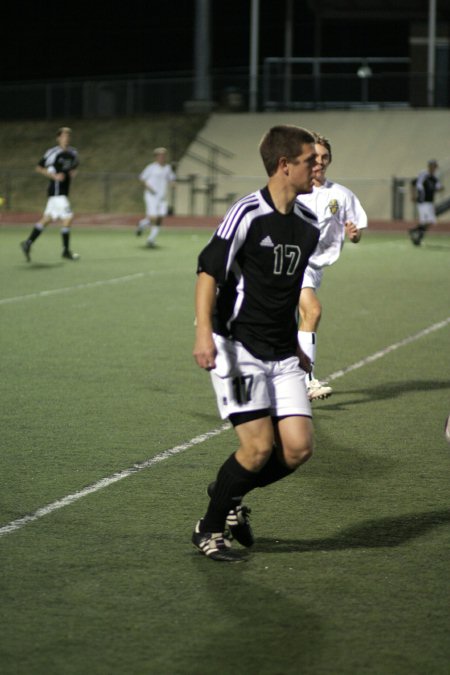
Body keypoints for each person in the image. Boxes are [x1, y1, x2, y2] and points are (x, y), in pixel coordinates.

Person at [191, 124, 320, 562]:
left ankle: (230, 492)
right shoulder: (246, 212)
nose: (317, 166)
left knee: (298, 448)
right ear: (285, 165)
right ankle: (208, 528)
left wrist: (296, 344)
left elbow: (284, 288)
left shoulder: (308, 224)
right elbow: (209, 271)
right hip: (238, 349)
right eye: (309, 160)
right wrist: (203, 332)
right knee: (258, 447)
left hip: (282, 353)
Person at [296, 132, 368, 401]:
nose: (320, 162)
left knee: (294, 322)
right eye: (314, 157)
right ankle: (307, 380)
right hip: (293, 262)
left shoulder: (341, 195)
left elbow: (357, 230)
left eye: (324, 157)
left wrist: (354, 234)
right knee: (313, 311)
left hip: (315, 268)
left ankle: (286, 381)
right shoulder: (294, 191)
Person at [20, 126, 79, 262]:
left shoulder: (73, 152)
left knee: (46, 219)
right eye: (64, 136)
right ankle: (65, 250)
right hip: (57, 191)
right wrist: (54, 176)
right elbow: (39, 167)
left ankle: (28, 243)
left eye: (68, 136)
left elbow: (75, 166)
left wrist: (72, 173)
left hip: (62, 192)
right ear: (58, 138)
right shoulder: (53, 152)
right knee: (68, 217)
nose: (66, 138)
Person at [136, 147, 176, 247]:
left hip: (162, 198)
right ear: (156, 157)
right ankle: (149, 237)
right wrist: (149, 188)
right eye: (160, 155)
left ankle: (146, 232)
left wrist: (173, 184)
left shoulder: (167, 168)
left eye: (163, 155)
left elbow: (171, 178)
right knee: (154, 218)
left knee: (159, 219)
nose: (162, 157)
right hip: (151, 196)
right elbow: (142, 178)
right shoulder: (151, 167)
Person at [408, 159, 443, 246]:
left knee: (427, 222)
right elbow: (414, 183)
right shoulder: (424, 175)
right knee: (429, 221)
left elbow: (439, 187)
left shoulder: (434, 178)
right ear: (429, 166)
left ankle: (416, 235)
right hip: (423, 201)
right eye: (433, 166)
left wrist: (439, 189)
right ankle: (416, 233)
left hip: (430, 202)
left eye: (435, 167)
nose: (434, 168)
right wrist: (413, 195)